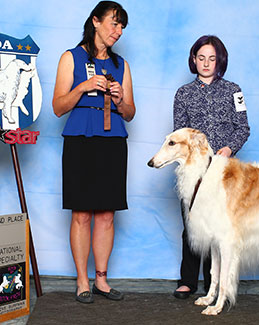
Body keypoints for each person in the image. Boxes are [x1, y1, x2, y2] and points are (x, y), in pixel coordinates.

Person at [52, 1, 135, 304]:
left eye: (122, 26)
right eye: (114, 23)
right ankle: (82, 280)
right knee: (82, 214)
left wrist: (120, 98)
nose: (119, 31)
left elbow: (130, 113)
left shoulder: (121, 65)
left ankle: (101, 279)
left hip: (113, 141)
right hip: (80, 140)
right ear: (96, 22)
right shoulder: (70, 57)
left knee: (107, 215)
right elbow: (58, 107)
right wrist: (83, 87)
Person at [173, 35, 250, 299]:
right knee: (192, 226)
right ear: (194, 60)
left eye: (212, 58)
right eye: (201, 58)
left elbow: (243, 128)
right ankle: (187, 280)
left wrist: (229, 149)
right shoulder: (183, 94)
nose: (206, 63)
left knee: (220, 228)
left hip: (224, 172)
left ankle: (213, 283)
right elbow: (178, 134)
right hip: (193, 171)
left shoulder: (234, 90)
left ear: (220, 61)